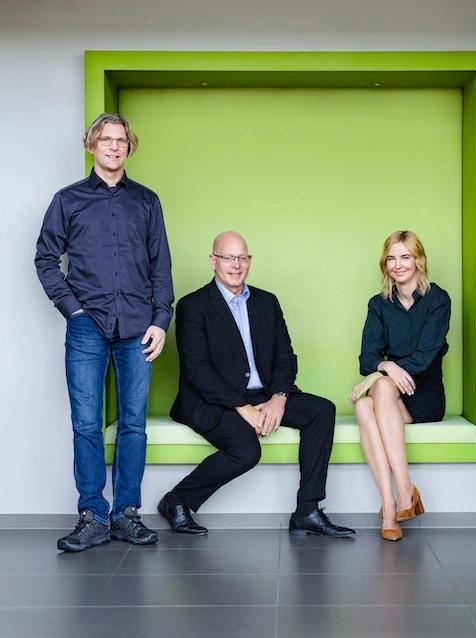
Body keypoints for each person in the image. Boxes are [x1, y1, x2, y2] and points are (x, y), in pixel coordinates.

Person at [35, 113, 174, 551]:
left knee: (133, 424)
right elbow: (44, 259)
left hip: (138, 328)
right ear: (91, 145)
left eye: (121, 140)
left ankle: (127, 513)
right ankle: (93, 515)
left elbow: (161, 266)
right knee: (87, 423)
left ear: (129, 147)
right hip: (87, 328)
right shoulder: (68, 200)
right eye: (106, 140)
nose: (114, 147)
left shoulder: (147, 201)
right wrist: (72, 309)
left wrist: (161, 320)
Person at [159, 231, 355, 537]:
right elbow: (199, 370)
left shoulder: (267, 302)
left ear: (249, 262)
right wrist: (242, 407)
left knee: (321, 411)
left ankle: (307, 510)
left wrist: (279, 397)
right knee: (245, 450)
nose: (236, 265)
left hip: (264, 394)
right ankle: (177, 500)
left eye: (242, 258)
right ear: (213, 261)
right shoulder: (193, 306)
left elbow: (286, 356)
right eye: (228, 257)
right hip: (212, 400)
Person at [350, 230, 451, 541]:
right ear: (385, 264)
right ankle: (393, 501)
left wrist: (379, 374)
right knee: (366, 403)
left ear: (418, 260)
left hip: (425, 393)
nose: (398, 264)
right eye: (391, 258)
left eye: (405, 256)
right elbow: (367, 356)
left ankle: (402, 495)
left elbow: (424, 356)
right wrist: (384, 367)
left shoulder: (438, 299)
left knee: (376, 391)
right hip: (390, 394)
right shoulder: (378, 305)